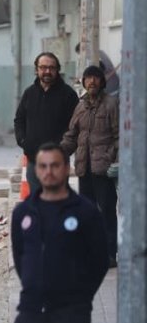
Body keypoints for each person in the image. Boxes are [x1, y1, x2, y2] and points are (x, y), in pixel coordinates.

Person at [6, 142, 108, 323]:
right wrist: (35, 288)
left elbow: (99, 262)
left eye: (54, 166)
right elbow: (20, 256)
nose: (48, 172)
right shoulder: (23, 213)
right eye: (43, 166)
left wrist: (79, 297)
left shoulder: (86, 213)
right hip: (31, 311)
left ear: (66, 169)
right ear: (36, 170)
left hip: (71, 314)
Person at [61, 65, 119, 267]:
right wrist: (58, 153)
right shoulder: (80, 106)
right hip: (84, 170)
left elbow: (119, 135)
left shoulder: (112, 104)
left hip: (104, 170)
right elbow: (71, 136)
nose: (92, 82)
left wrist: (115, 159)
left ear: (102, 81)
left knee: (107, 213)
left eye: (95, 78)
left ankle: (110, 254)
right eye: (88, 78)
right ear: (84, 82)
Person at [14, 52, 79, 195]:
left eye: (52, 68)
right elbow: (19, 119)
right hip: (33, 160)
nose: (47, 71)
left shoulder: (68, 95)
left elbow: (76, 127)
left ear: (57, 70)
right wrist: (23, 141)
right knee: (36, 203)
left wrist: (64, 150)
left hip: (58, 162)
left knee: (56, 203)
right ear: (36, 70)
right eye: (43, 67)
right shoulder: (29, 93)